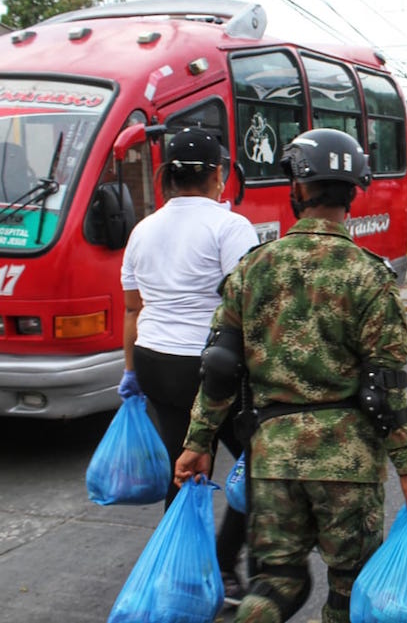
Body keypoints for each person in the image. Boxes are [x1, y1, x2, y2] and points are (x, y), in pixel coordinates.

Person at [173, 128, 407, 623]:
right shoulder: (369, 276)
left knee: (277, 583)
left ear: (297, 188)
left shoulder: (253, 268)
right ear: (354, 193)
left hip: (272, 459)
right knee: (349, 591)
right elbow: (386, 392)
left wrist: (199, 441)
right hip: (347, 465)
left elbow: (219, 368)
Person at [119, 127, 260, 606]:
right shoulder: (229, 226)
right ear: (219, 174)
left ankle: (179, 576)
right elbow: (247, 308)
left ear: (167, 177)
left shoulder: (143, 228)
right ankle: (223, 568)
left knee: (184, 466)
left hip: (154, 360)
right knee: (254, 465)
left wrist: (130, 371)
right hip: (209, 366)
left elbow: (132, 309)